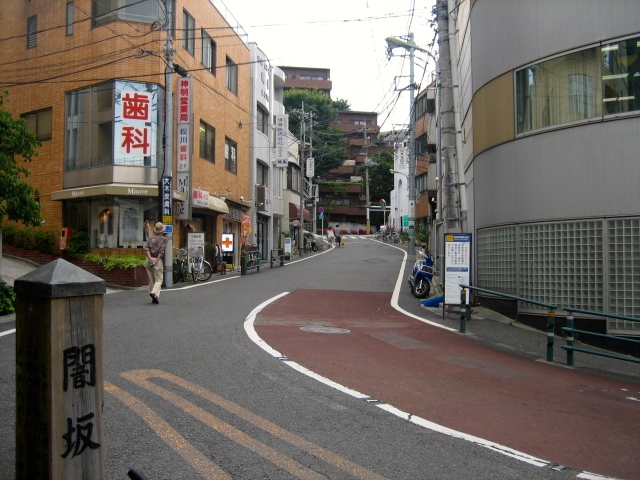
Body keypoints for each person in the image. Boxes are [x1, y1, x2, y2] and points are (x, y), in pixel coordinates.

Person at [144, 221, 168, 304]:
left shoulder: (150, 238)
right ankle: (154, 293)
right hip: (156, 261)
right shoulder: (164, 239)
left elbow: (146, 249)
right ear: (162, 230)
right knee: (159, 279)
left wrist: (150, 258)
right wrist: (157, 259)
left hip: (148, 260)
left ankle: (153, 295)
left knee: (151, 280)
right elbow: (161, 250)